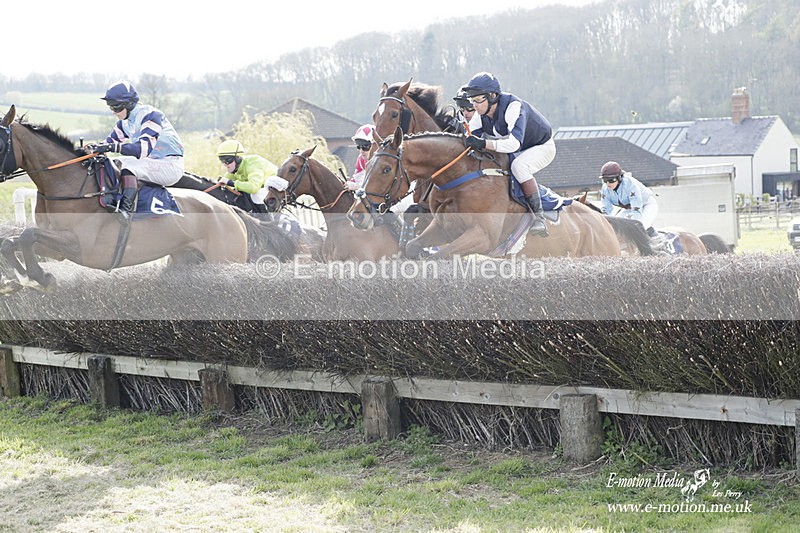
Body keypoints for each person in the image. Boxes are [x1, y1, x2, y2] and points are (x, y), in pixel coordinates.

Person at [460, 72, 553, 237]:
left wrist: (483, 143)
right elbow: (471, 138)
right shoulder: (481, 114)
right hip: (517, 147)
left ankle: (538, 218)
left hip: (541, 146)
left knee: (519, 167)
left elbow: (514, 144)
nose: (475, 106)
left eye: (478, 100)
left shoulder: (513, 106)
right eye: (472, 100)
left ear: (493, 96)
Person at [84, 80, 184, 219]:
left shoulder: (150, 115)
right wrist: (92, 149)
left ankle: (125, 211)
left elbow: (142, 150)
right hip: (151, 162)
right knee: (112, 162)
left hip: (170, 165)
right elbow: (108, 143)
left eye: (116, 107)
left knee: (128, 166)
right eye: (110, 107)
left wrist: (110, 147)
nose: (113, 112)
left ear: (129, 104)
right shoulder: (124, 123)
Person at [598, 161, 662, 242]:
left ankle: (658, 242)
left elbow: (636, 213)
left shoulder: (630, 185)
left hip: (647, 205)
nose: (608, 183)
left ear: (619, 178)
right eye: (605, 180)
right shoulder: (605, 189)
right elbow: (606, 212)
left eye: (611, 180)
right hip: (629, 208)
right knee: (616, 227)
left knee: (640, 226)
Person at [215, 139, 277, 214]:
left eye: (227, 160)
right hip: (263, 189)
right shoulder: (235, 168)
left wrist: (230, 182)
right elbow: (223, 181)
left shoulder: (252, 164)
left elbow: (253, 188)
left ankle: (267, 219)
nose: (225, 164)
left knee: (256, 194)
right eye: (222, 161)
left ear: (237, 158)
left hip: (277, 189)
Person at [345, 124, 375, 191]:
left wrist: (357, 187)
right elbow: (356, 177)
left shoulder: (382, 161)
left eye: (365, 147)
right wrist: (350, 183)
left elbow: (377, 186)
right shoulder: (361, 159)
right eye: (359, 147)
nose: (361, 151)